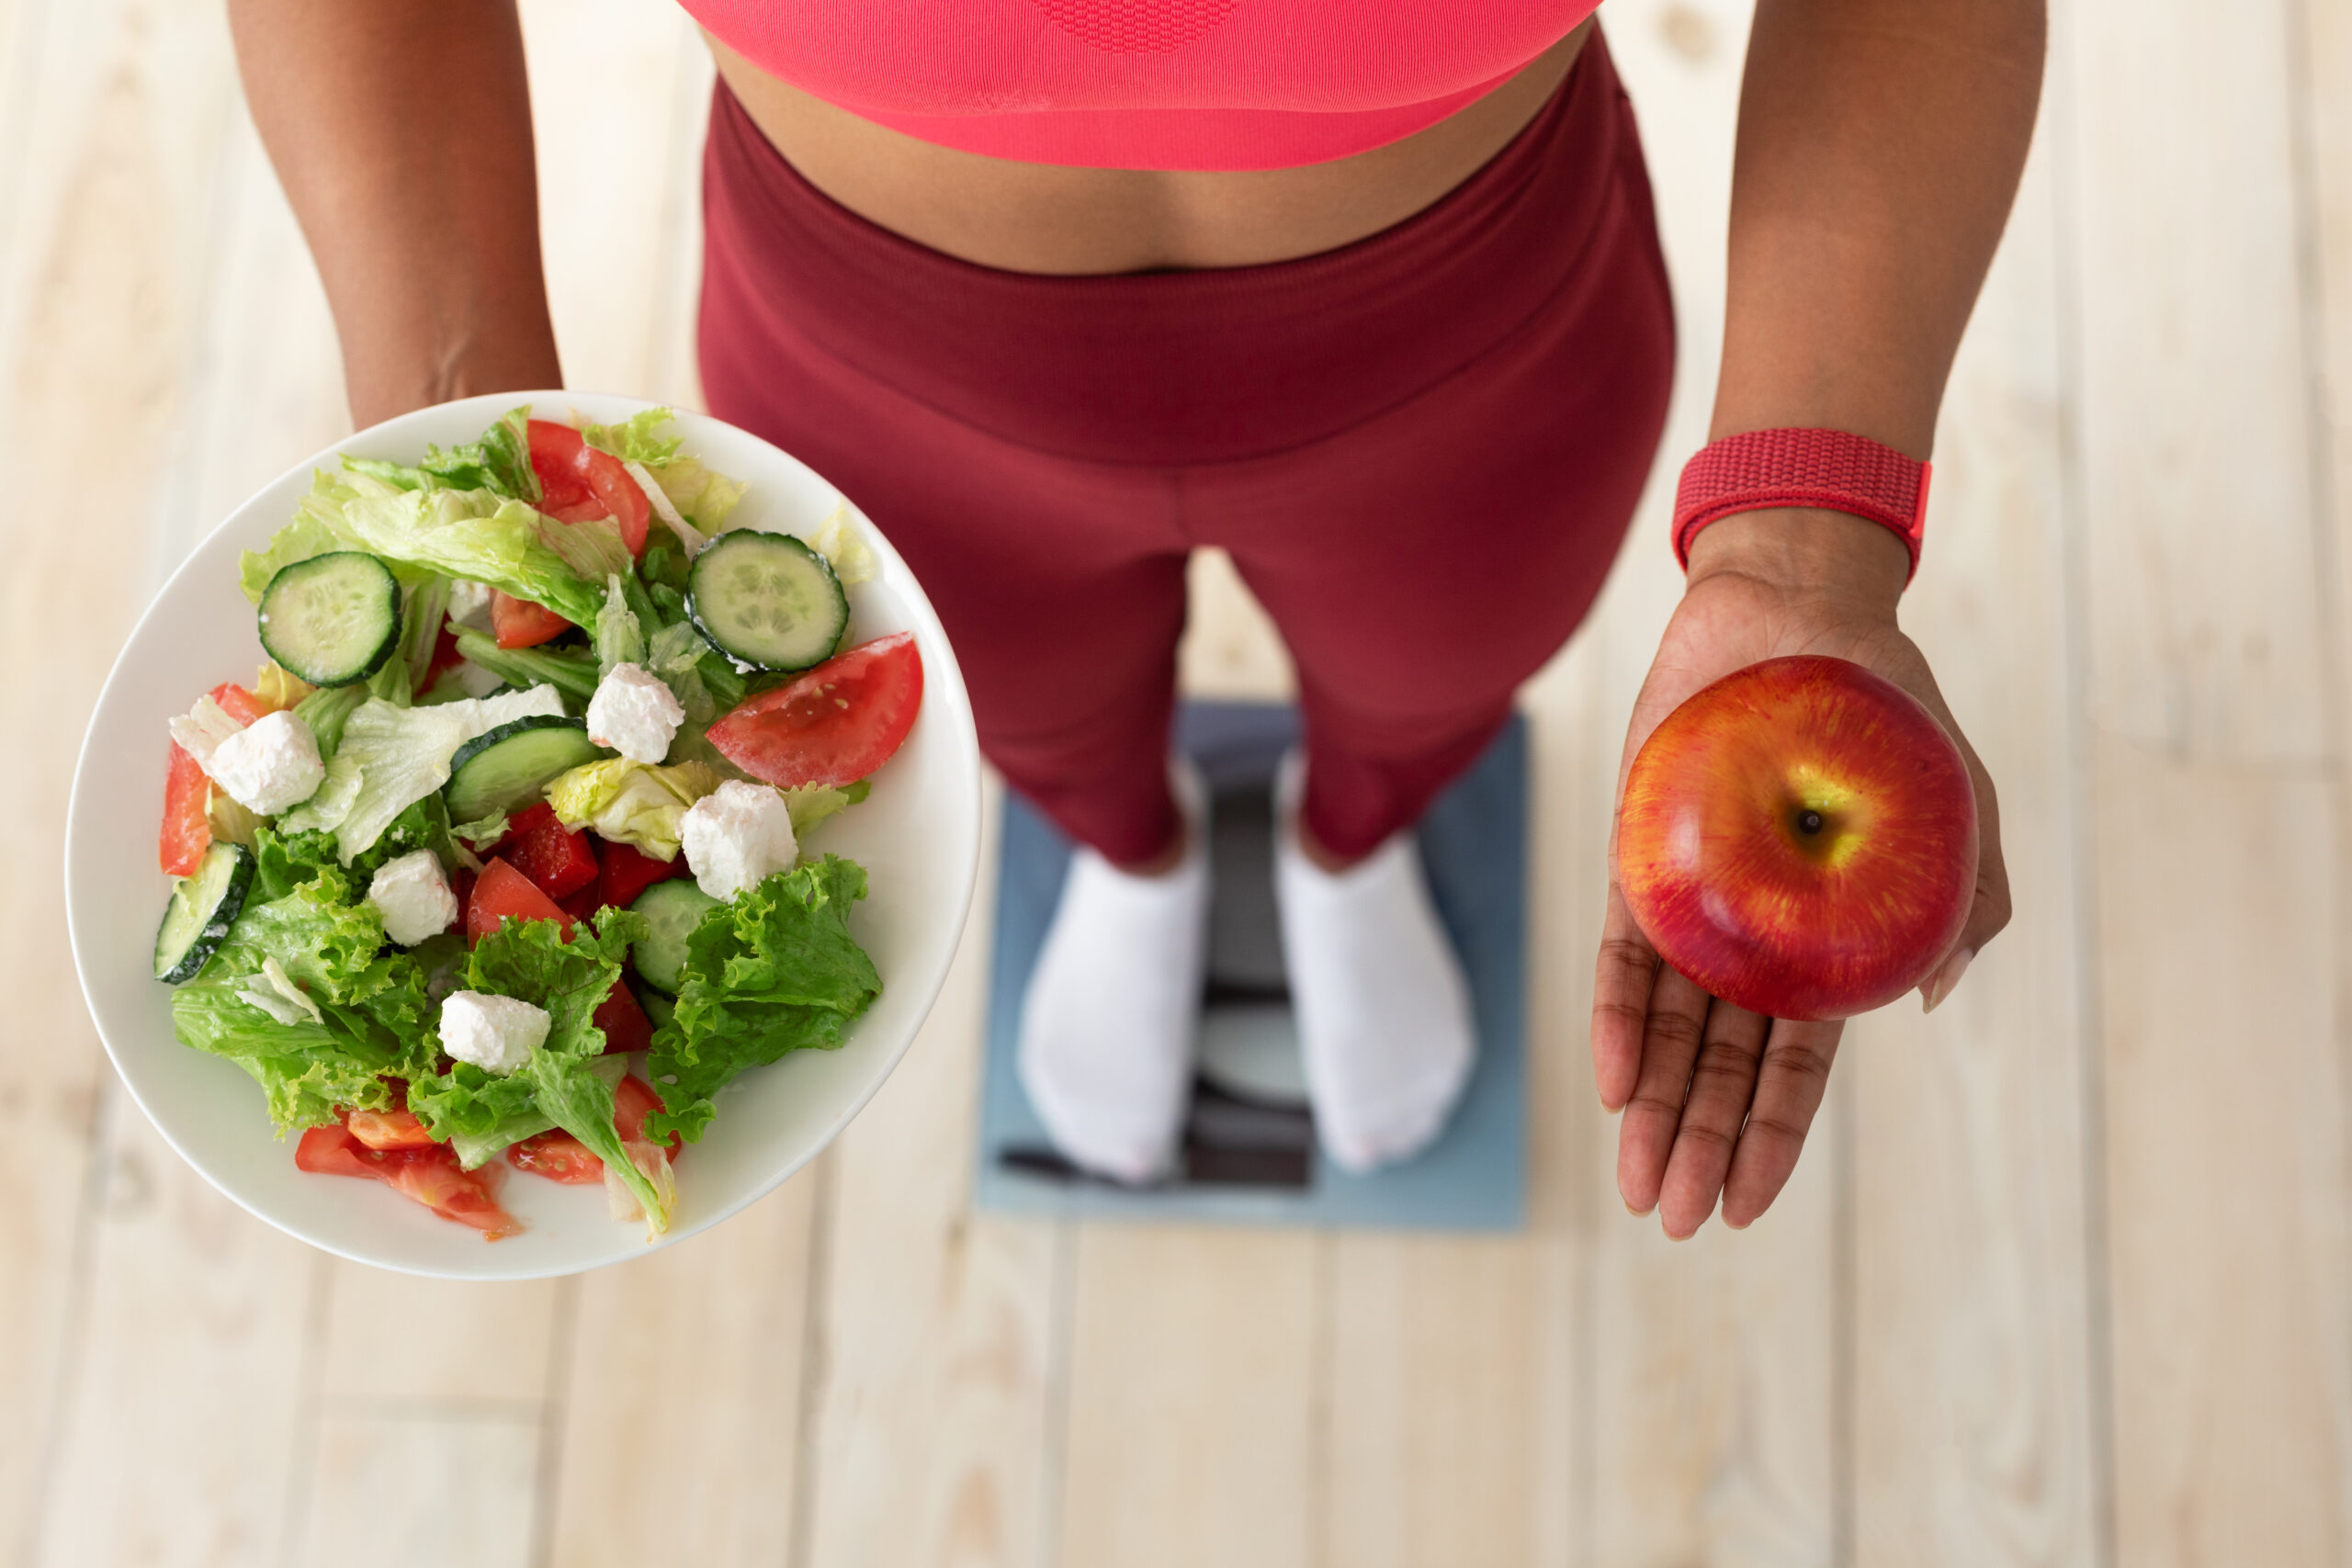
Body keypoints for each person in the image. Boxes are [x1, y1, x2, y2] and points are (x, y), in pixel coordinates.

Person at [230, 0, 2027, 1235]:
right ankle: (1128, 850)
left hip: (1477, 338)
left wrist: (1802, 551)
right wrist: (445, 467)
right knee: (1025, 721)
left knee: (1433, 686)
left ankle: (1353, 839)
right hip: (871, 366)